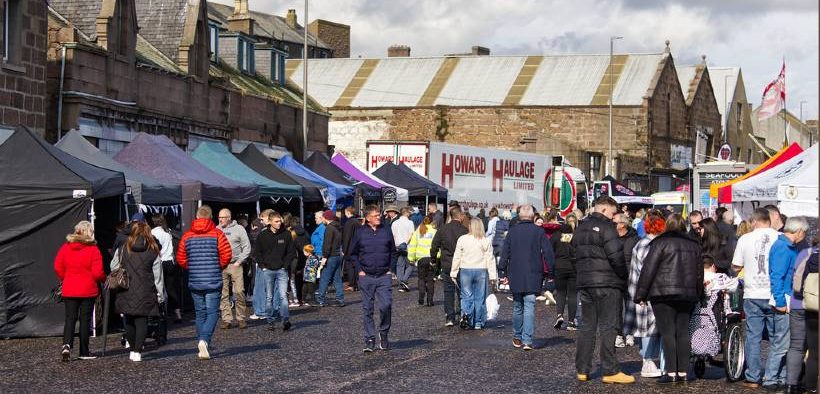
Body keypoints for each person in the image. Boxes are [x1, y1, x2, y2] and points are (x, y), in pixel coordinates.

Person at [634, 214, 702, 383]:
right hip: (687, 294)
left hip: (661, 293)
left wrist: (641, 294)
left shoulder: (659, 243)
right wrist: (698, 294)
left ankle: (671, 372)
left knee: (668, 332)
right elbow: (699, 273)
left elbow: (648, 270)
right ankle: (684, 371)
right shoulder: (694, 245)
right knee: (683, 332)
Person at [572, 196, 633, 384]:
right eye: (613, 213)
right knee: (609, 326)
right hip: (607, 283)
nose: (615, 217)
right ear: (605, 210)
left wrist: (582, 274)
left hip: (586, 283)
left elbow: (573, 255)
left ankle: (582, 369)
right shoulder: (608, 228)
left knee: (587, 327)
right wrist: (624, 277)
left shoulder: (580, 227)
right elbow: (616, 257)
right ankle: (610, 370)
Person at [731, 208, 781, 389]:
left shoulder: (745, 239)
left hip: (752, 293)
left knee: (753, 337)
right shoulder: (779, 237)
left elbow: (736, 266)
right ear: (768, 220)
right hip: (774, 294)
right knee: (777, 337)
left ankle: (753, 376)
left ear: (754, 221)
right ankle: (773, 375)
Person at [176, 205, 232, 360]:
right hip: (213, 279)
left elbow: (180, 258)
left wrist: (192, 267)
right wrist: (217, 265)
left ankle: (202, 344)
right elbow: (227, 255)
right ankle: (204, 340)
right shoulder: (217, 234)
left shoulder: (187, 236)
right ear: (211, 217)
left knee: (200, 313)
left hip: (195, 279)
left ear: (197, 217)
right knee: (213, 312)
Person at [499, 205, 554, 349]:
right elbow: (548, 253)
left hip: (516, 272)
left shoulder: (512, 232)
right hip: (534, 272)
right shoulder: (539, 231)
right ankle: (527, 340)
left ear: (519, 216)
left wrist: (502, 272)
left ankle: (517, 337)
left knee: (518, 305)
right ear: (532, 216)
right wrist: (552, 272)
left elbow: (505, 253)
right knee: (529, 305)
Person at [623, 209, 666, 378]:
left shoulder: (642, 244)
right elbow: (648, 272)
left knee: (647, 327)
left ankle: (649, 361)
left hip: (640, 290)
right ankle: (647, 362)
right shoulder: (648, 245)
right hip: (646, 292)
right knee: (647, 328)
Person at [54, 221, 105, 361]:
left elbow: (58, 265)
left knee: (69, 319)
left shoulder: (66, 247)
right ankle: (84, 351)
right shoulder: (93, 249)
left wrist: (66, 277)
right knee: (85, 320)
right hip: (87, 289)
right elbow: (97, 272)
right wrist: (103, 279)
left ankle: (66, 344)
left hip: (69, 288)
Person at [767, 217, 809, 390]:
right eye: (804, 233)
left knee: (786, 341)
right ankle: (770, 378)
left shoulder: (785, 246)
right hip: (783, 298)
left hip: (786, 297)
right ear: (798, 231)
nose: (804, 236)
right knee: (782, 342)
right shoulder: (783, 248)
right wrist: (779, 300)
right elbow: (777, 276)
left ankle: (782, 377)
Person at [348, 205, 396, 352]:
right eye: (376, 215)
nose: (379, 217)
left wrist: (390, 269)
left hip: (383, 276)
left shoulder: (386, 231)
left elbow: (393, 252)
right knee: (367, 308)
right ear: (368, 218)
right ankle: (369, 338)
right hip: (366, 276)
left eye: (379, 215)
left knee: (386, 305)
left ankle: (384, 333)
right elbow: (352, 254)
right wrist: (359, 270)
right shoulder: (360, 233)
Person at [114, 221, 164, 363]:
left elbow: (113, 266)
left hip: (126, 288)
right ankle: (137, 351)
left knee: (128, 320)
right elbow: (158, 275)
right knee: (142, 321)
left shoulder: (123, 248)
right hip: (145, 289)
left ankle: (132, 349)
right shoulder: (153, 250)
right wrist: (160, 294)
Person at [254, 211, 297, 330]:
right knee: (269, 297)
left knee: (283, 296)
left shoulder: (286, 234)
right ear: (270, 222)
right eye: (276, 221)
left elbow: (291, 252)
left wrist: (285, 265)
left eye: (280, 221)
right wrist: (262, 266)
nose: (279, 223)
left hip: (281, 269)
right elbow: (257, 252)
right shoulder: (263, 235)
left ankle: (285, 320)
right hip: (267, 270)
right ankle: (270, 321)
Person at [452, 217, 498, 330]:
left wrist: (453, 271)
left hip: (465, 270)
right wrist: (493, 276)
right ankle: (478, 322)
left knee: (466, 297)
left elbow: (457, 256)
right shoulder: (485, 240)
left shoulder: (462, 239)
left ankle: (467, 318)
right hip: (481, 271)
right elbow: (490, 259)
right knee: (480, 298)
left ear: (470, 226)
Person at [431, 207, 469, 326]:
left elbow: (434, 246)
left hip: (447, 263)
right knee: (462, 291)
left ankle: (450, 317)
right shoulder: (465, 230)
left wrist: (433, 260)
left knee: (448, 291)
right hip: (461, 264)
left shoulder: (443, 229)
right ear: (460, 216)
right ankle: (463, 314)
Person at [791, 235, 818, 393]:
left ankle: (810, 387)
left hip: (812, 306)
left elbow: (798, 284)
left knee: (813, 352)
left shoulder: (810, 255)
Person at [216, 209, 251, 330]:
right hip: (221, 265)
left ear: (229, 217)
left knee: (239, 291)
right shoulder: (216, 229)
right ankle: (226, 319)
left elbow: (246, 247)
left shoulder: (239, 229)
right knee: (223, 293)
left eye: (223, 217)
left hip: (235, 264)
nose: (221, 219)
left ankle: (241, 317)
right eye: (219, 217)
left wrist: (239, 261)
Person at [614, 212, 639, 348]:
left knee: (631, 307)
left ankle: (629, 332)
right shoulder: (611, 238)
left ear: (622, 224)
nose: (612, 225)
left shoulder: (634, 238)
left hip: (631, 277)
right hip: (615, 277)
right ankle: (618, 334)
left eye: (615, 222)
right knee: (616, 308)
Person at [550, 211, 577, 331]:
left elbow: (550, 251)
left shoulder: (556, 235)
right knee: (572, 295)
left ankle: (559, 315)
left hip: (559, 267)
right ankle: (571, 321)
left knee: (561, 293)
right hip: (573, 267)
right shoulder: (575, 236)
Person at [151, 214, 181, 323]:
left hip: (160, 262)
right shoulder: (167, 233)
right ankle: (177, 314)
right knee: (171, 288)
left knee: (159, 289)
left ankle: (162, 313)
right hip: (170, 263)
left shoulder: (152, 233)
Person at [317, 210, 345, 307]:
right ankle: (340, 299)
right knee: (337, 278)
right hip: (338, 255)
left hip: (331, 256)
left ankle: (320, 299)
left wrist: (325, 257)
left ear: (326, 218)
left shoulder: (329, 228)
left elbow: (327, 244)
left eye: (323, 218)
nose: (322, 219)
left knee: (324, 278)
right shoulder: (338, 227)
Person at [408, 216, 438, 306]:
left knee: (421, 279)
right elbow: (437, 246)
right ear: (431, 222)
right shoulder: (435, 232)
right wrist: (438, 257)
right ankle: (430, 300)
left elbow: (412, 246)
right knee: (430, 280)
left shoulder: (418, 231)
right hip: (432, 258)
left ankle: (421, 297)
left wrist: (411, 259)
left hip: (421, 259)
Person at [250, 209, 272, 320]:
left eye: (262, 218)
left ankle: (261, 311)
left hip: (263, 263)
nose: (261, 220)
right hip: (271, 263)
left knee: (259, 287)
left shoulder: (264, 231)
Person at [392, 206, 416, 292]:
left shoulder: (395, 223)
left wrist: (396, 245)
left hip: (397, 245)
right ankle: (404, 280)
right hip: (407, 246)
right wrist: (405, 243)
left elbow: (393, 235)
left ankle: (400, 284)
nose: (410, 214)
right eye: (409, 212)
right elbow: (411, 235)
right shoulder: (410, 223)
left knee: (400, 265)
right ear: (406, 213)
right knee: (410, 265)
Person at [341, 206, 360, 291]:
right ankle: (356, 283)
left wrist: (344, 249)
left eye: (345, 212)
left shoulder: (349, 222)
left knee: (350, 267)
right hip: (357, 247)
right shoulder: (357, 221)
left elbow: (347, 237)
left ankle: (352, 284)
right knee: (355, 266)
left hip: (350, 248)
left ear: (348, 212)